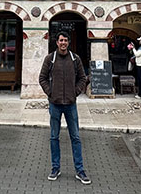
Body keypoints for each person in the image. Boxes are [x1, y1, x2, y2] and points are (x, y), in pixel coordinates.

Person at [38, 31, 91, 185]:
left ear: (68, 42)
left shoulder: (75, 59)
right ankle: (55, 168)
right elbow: (42, 78)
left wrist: (75, 92)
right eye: (61, 40)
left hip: (70, 105)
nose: (63, 43)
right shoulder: (50, 59)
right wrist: (50, 92)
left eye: (65, 40)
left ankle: (80, 170)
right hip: (55, 104)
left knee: (75, 137)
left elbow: (83, 78)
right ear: (57, 42)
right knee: (54, 137)